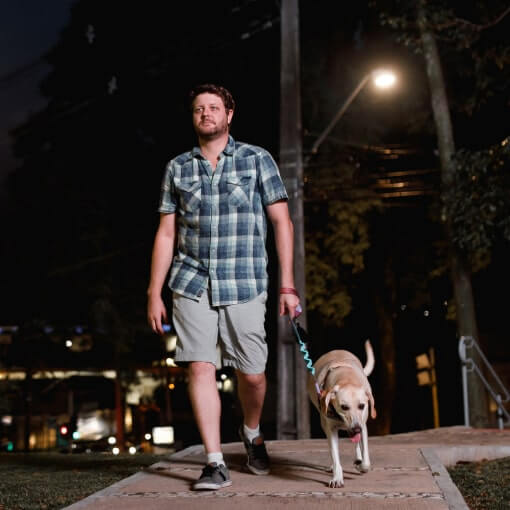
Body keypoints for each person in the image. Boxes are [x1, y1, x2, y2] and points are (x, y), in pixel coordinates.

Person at [147, 83, 300, 490]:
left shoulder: (256, 159)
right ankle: (214, 461)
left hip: (245, 281)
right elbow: (166, 233)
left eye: (214, 107)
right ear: (192, 116)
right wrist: (153, 291)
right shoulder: (178, 168)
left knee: (252, 374)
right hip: (191, 280)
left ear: (229, 115)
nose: (206, 114)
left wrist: (287, 285)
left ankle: (251, 430)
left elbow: (282, 222)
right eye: (199, 108)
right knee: (200, 365)